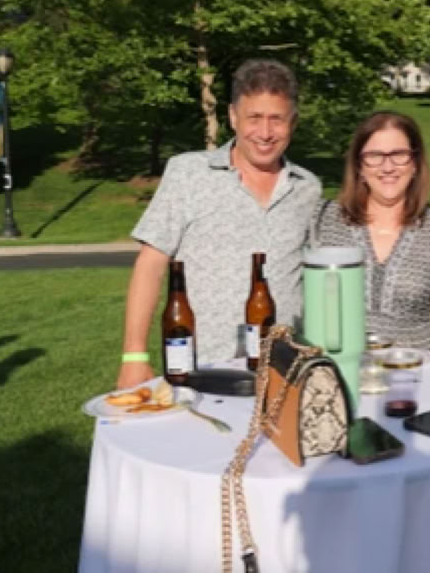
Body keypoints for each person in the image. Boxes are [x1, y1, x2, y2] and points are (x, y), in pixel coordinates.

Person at [117, 59, 321, 388]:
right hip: (201, 373)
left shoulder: (307, 188)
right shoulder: (188, 174)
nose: (265, 133)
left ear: (293, 123)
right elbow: (150, 265)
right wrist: (134, 356)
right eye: (254, 118)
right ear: (233, 117)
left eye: (277, 119)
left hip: (284, 376)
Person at [313, 111, 430, 350]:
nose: (388, 167)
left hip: (413, 367)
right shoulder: (324, 220)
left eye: (399, 155)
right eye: (375, 156)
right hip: (337, 366)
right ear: (359, 166)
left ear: (415, 163)